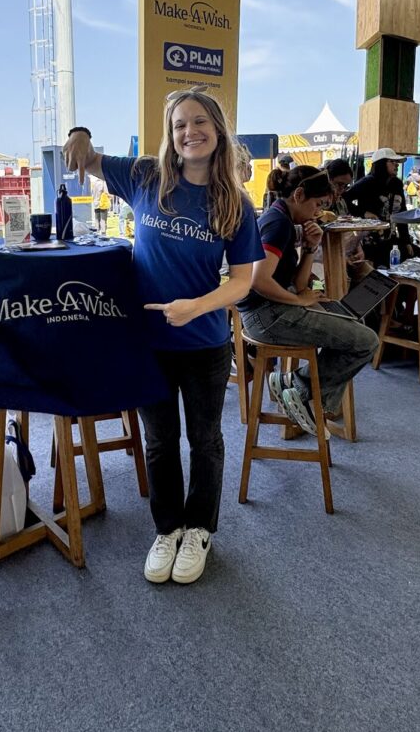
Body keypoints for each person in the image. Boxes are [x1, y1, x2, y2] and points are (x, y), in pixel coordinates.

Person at [63, 87, 263, 586]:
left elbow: (243, 281)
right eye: (179, 125)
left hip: (205, 343)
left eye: (199, 123)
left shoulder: (234, 203)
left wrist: (197, 306)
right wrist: (79, 133)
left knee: (205, 440)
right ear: (169, 135)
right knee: (158, 441)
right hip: (148, 342)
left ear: (217, 131)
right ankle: (167, 528)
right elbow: (84, 158)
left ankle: (199, 529)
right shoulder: (144, 177)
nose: (189, 132)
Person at [237, 166, 379, 434]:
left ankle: (298, 390)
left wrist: (311, 248)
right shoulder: (277, 224)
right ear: (299, 195)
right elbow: (259, 280)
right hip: (267, 316)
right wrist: (297, 300)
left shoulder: (284, 220)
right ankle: (304, 394)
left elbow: (300, 283)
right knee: (367, 341)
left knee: (353, 322)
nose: (317, 212)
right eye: (317, 204)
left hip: (268, 312)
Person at [344, 148, 414, 268]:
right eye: (392, 162)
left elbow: (402, 213)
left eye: (397, 162)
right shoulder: (367, 182)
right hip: (371, 243)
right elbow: (345, 199)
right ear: (381, 164)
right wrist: (363, 213)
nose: (396, 165)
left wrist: (406, 241)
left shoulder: (396, 184)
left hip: (392, 240)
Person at [323, 158, 372, 284]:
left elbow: (350, 229)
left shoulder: (341, 202)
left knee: (374, 279)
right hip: (325, 260)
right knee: (343, 282)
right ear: (328, 180)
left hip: (346, 255)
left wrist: (359, 249)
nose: (342, 190)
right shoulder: (318, 204)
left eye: (346, 186)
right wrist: (341, 257)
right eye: (339, 184)